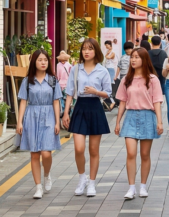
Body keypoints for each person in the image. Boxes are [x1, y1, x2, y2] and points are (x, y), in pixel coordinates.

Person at [62, 38, 113, 197]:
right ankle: (81, 178)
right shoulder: (76, 69)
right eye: (84, 48)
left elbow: (108, 93)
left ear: (96, 51)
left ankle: (91, 183)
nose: (86, 51)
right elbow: (70, 91)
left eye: (90, 48)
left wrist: (95, 92)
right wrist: (65, 113)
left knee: (93, 150)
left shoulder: (102, 70)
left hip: (95, 108)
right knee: (78, 148)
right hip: (80, 107)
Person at [115, 48, 164, 200]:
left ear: (144, 59)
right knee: (131, 153)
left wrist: (160, 121)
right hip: (130, 116)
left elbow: (157, 101)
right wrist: (118, 122)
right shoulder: (126, 79)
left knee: (144, 154)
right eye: (132, 57)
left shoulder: (152, 79)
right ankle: (131, 187)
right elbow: (122, 102)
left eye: (136, 57)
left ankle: (142, 186)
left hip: (147, 116)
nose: (133, 60)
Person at [16, 49, 62, 198]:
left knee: (46, 153)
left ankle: (47, 174)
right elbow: (23, 101)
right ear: (34, 62)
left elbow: (56, 102)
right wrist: (19, 122)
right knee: (34, 154)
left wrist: (57, 121)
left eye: (45, 60)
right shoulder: (27, 81)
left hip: (49, 115)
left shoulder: (53, 80)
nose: (43, 62)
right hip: (32, 116)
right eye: (40, 60)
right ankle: (38, 187)